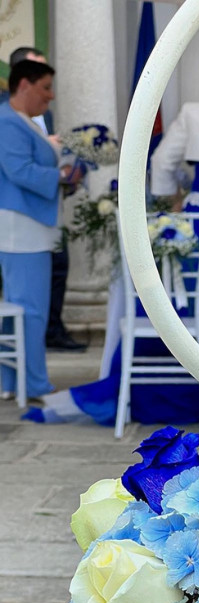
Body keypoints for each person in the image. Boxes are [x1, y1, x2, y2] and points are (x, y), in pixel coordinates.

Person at [25, 49, 199, 428]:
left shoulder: (191, 113)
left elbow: (162, 162)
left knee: (196, 306)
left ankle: (197, 386)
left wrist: (176, 200)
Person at [0, 60, 82, 404]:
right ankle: (33, 383)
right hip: (22, 226)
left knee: (20, 308)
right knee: (31, 309)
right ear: (24, 85)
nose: (50, 96)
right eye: (45, 87)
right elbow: (19, 170)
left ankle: (10, 381)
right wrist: (62, 176)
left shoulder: (21, 121)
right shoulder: (8, 121)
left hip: (27, 224)